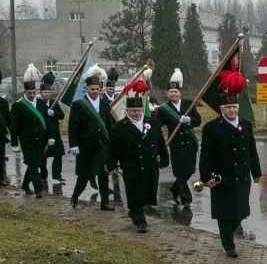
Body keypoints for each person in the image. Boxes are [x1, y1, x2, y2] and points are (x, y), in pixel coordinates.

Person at [198, 64, 261, 257]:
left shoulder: (246, 125)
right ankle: (229, 245)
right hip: (221, 176)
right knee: (224, 212)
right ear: (222, 109)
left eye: (234, 106)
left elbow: (252, 150)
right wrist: (205, 176)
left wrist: (256, 172)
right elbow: (205, 154)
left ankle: (231, 231)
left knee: (241, 211)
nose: (232, 110)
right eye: (228, 107)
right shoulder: (212, 128)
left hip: (241, 176)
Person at [106, 80, 169, 233]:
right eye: (133, 111)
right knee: (134, 192)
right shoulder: (118, 128)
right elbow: (113, 149)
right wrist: (111, 165)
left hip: (149, 164)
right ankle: (140, 220)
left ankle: (135, 211)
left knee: (147, 192)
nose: (136, 113)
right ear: (127, 111)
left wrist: (164, 159)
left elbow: (160, 143)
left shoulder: (153, 124)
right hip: (131, 165)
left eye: (139, 110)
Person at [68, 64, 114, 210]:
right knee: (83, 176)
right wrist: (73, 144)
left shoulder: (105, 103)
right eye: (92, 89)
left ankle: (105, 202)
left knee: (103, 175)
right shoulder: (79, 105)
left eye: (97, 89)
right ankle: (75, 197)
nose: (95, 91)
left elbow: (109, 125)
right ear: (87, 89)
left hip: (101, 147)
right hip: (85, 146)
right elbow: (73, 126)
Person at [158, 68, 201, 209]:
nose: (173, 94)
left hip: (190, 142)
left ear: (179, 93)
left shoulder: (188, 104)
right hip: (176, 144)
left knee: (188, 171)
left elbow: (198, 120)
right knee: (180, 172)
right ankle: (186, 199)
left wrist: (189, 120)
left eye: (175, 92)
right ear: (167, 94)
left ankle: (175, 189)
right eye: (171, 92)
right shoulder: (164, 109)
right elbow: (157, 124)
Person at [9, 64, 53, 198]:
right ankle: (38, 189)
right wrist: (14, 142)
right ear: (25, 92)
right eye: (29, 93)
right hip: (26, 139)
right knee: (33, 164)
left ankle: (25, 184)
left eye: (34, 93)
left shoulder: (40, 104)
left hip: (40, 139)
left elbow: (47, 121)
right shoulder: (18, 106)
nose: (32, 95)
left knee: (36, 162)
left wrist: (51, 136)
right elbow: (14, 125)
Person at [38, 72, 66, 184]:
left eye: (49, 92)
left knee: (58, 154)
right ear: (41, 93)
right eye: (45, 92)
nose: (47, 94)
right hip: (43, 133)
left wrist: (53, 113)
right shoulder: (38, 103)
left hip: (55, 132)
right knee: (43, 157)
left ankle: (57, 175)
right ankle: (43, 175)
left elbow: (62, 115)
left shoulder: (53, 103)